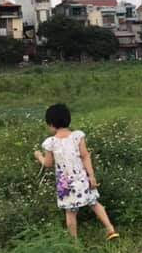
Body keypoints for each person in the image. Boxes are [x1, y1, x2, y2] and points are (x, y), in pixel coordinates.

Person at [34, 103, 119, 241]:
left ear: (51, 124)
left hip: (66, 184)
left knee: (70, 212)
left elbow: (48, 164)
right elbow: (85, 156)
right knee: (94, 203)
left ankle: (74, 243)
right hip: (82, 178)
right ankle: (110, 229)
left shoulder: (51, 142)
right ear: (68, 119)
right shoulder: (77, 136)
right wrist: (91, 176)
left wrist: (39, 156)